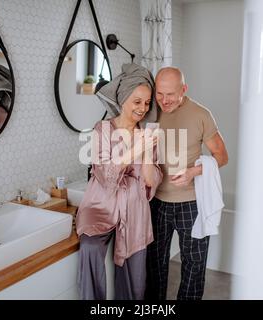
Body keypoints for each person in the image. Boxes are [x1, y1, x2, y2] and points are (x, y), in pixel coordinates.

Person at [76, 63, 163, 300]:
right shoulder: (102, 129)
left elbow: (150, 182)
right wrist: (135, 150)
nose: (143, 109)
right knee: (90, 249)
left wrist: (145, 151)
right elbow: (105, 174)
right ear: (123, 98)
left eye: (146, 103)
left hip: (134, 206)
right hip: (100, 204)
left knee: (135, 275)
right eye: (137, 101)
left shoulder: (147, 133)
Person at [146, 67, 229, 300]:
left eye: (170, 94)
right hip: (157, 202)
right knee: (154, 263)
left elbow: (222, 157)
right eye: (159, 94)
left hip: (191, 203)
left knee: (194, 265)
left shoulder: (201, 114)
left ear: (184, 89)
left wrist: (194, 171)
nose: (164, 100)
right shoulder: (150, 112)